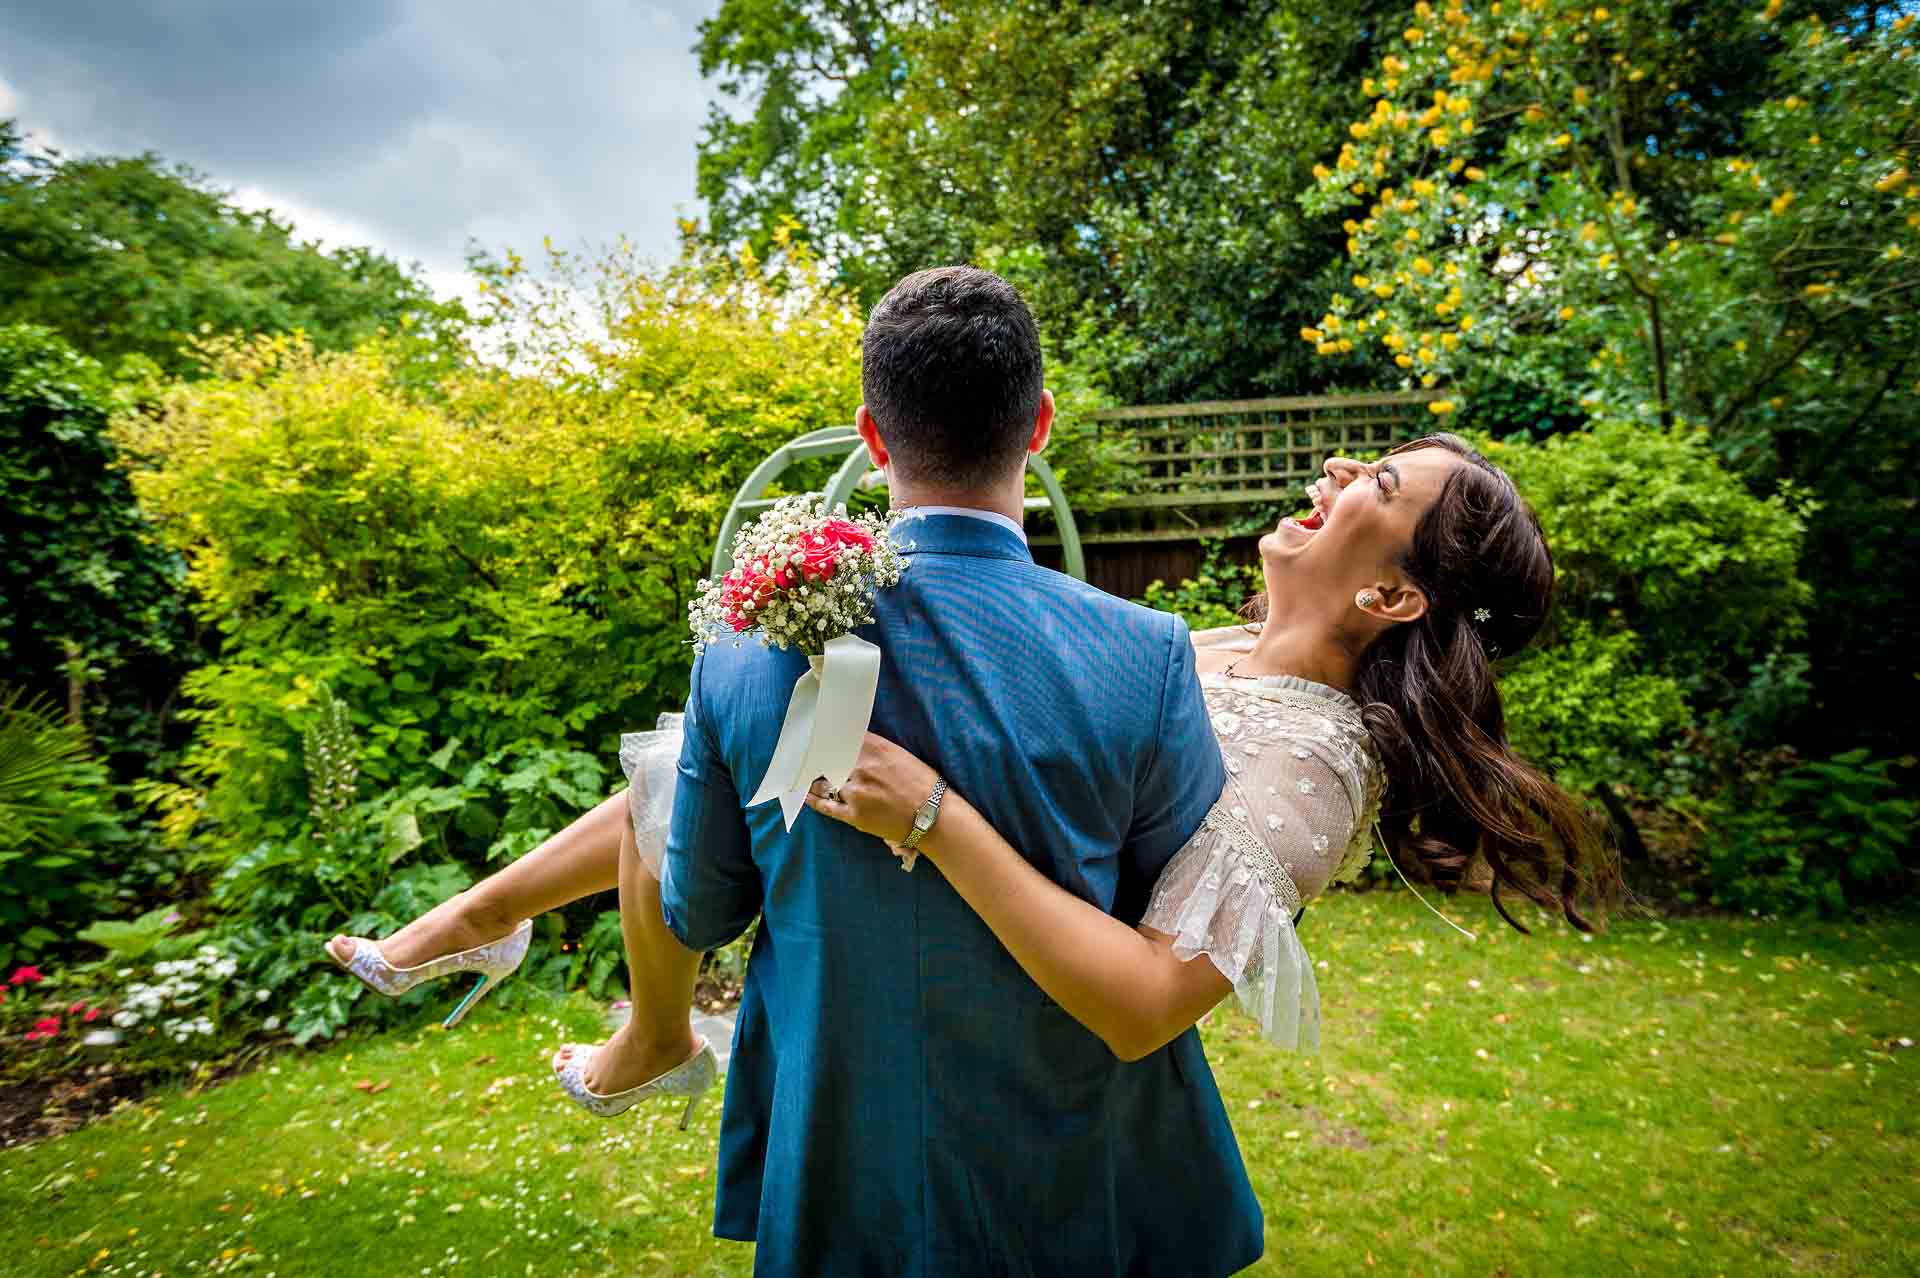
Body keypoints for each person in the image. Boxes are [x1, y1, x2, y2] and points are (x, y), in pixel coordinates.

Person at [328, 266, 1614, 1275]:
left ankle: (575, 979)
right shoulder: (1178, 648)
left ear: (1393, 590)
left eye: (1378, 481)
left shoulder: (1312, 762)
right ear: (1036, 429)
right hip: (891, 1067)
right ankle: (497, 917)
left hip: (1065, 1132)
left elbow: (1147, 1001)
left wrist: (937, 814)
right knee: (699, 751)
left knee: (701, 752)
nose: (1339, 470)